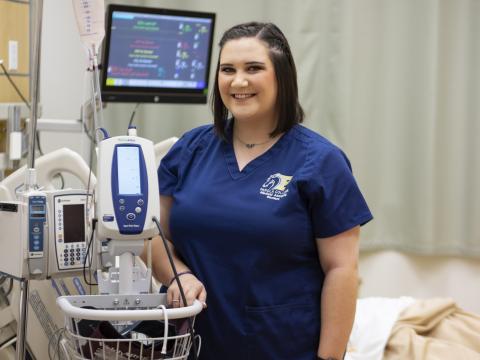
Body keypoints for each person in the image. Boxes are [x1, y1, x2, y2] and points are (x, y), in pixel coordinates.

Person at [141, 22, 373, 360]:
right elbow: (152, 235)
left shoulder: (321, 162)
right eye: (227, 70)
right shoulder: (191, 149)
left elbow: (341, 270)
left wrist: (329, 358)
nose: (238, 81)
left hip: (282, 347)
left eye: (253, 68)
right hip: (189, 345)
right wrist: (179, 275)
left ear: (282, 76)